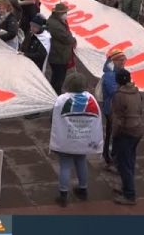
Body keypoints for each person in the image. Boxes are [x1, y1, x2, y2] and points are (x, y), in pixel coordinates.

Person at [49, 73, 103, 207]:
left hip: (66, 139)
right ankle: (83, 189)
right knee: (81, 162)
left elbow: (53, 119)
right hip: (84, 139)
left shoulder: (61, 100)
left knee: (65, 166)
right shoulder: (91, 99)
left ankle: (63, 195)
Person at [110, 68, 143, 206]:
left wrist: (114, 135)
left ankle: (129, 194)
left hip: (125, 131)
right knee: (130, 161)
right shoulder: (136, 91)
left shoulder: (119, 95)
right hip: (137, 130)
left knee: (124, 164)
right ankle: (126, 187)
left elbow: (117, 117)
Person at [99, 49, 128, 167]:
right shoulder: (110, 75)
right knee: (112, 133)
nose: (123, 62)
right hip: (111, 109)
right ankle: (109, 156)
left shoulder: (118, 71)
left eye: (124, 60)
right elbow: (114, 91)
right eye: (120, 60)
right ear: (113, 60)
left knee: (113, 132)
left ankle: (110, 154)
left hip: (116, 108)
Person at [47, 2, 75, 94]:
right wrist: (72, 39)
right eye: (64, 13)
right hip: (58, 56)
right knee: (58, 79)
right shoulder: (56, 25)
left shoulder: (56, 22)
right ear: (59, 13)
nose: (66, 15)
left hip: (58, 54)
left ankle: (54, 94)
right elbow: (67, 38)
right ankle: (56, 95)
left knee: (56, 77)